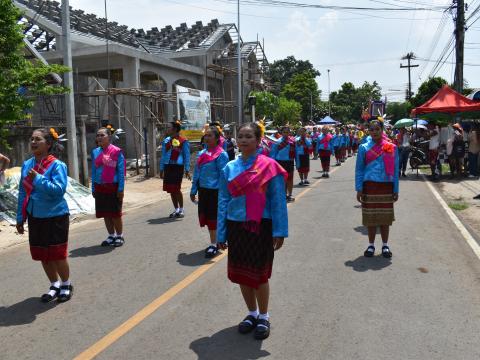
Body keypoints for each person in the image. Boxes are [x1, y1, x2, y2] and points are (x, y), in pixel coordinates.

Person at [217, 122, 288, 340]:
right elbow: (223, 201)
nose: (244, 140)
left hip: (260, 225)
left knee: (258, 275)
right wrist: (221, 232)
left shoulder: (270, 166)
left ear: (258, 141)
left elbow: (277, 201)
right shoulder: (229, 168)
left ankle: (264, 316)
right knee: (242, 274)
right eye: (241, 136)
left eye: (249, 136)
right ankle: (251, 313)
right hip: (236, 226)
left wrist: (280, 230)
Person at [16, 128, 73, 302]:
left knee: (57, 254)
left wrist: (39, 179)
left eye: (38, 139)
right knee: (42, 254)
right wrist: (20, 217)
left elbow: (58, 190)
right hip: (35, 215)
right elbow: (22, 192)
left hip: (55, 215)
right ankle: (54, 284)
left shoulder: (57, 165)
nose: (33, 142)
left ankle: (66, 284)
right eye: (32, 139)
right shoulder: (27, 165)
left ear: (48, 144)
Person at [355, 120, 399, 258]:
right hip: (370, 186)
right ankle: (371, 245)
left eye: (377, 129)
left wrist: (396, 189)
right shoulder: (364, 148)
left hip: (386, 186)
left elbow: (395, 170)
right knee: (371, 218)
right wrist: (359, 188)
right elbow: (359, 169)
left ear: (382, 130)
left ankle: (385, 245)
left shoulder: (391, 147)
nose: (374, 132)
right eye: (372, 129)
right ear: (368, 131)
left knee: (385, 218)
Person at [190, 127, 229, 258]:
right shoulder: (202, 153)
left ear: (217, 138)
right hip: (203, 191)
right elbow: (197, 172)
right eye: (205, 135)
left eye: (210, 135)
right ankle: (216, 241)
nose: (206, 138)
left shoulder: (221, 154)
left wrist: (224, 194)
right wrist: (193, 189)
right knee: (207, 217)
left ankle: (215, 243)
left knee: (214, 218)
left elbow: (224, 176)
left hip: (216, 192)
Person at [91, 126, 126, 247]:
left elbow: (121, 171)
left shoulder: (116, 151)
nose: (99, 137)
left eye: (102, 135)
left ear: (109, 137)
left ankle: (120, 235)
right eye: (98, 135)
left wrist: (121, 189)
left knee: (115, 213)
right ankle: (111, 235)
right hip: (100, 186)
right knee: (105, 213)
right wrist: (93, 188)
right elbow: (94, 171)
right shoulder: (95, 152)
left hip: (113, 186)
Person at [160, 121, 191, 218]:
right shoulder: (166, 141)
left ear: (174, 129)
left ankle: (181, 209)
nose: (167, 129)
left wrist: (187, 169)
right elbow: (163, 156)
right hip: (168, 166)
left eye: (169, 127)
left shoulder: (183, 141)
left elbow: (186, 156)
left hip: (177, 167)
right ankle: (176, 209)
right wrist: (161, 169)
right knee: (171, 189)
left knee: (177, 189)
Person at [269, 126, 296, 202]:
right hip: (280, 162)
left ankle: (290, 195)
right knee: (282, 180)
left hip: (290, 162)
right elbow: (273, 153)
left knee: (290, 179)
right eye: (284, 132)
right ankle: (283, 195)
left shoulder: (293, 141)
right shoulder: (277, 141)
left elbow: (295, 153)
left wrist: (298, 163)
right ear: (281, 132)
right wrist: (273, 165)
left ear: (289, 132)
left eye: (287, 132)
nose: (286, 133)